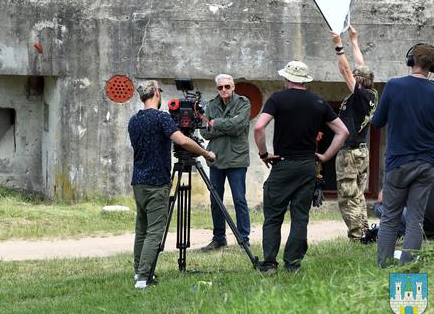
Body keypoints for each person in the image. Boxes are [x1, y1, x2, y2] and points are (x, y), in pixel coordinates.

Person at [253, 61, 348, 274]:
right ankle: (293, 264)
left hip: (283, 164)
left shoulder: (277, 99)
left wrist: (263, 154)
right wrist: (324, 156)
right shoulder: (318, 102)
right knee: (300, 217)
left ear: (287, 79)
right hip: (307, 166)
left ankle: (269, 264)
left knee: (273, 216)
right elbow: (343, 132)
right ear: (304, 80)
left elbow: (259, 127)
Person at [128, 80, 216, 289]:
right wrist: (205, 153)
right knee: (155, 231)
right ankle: (143, 278)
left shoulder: (133, 120)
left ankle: (138, 272)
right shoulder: (161, 118)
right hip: (157, 181)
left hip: (138, 181)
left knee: (142, 229)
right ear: (156, 94)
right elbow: (182, 141)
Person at [371, 43, 434, 267]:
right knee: (415, 219)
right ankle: (408, 265)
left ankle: (384, 265)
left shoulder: (394, 86)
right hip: (426, 164)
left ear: (411, 62)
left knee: (389, 217)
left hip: (398, 163)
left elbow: (377, 122)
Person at [330, 25, 378, 241]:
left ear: (358, 81)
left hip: (349, 153)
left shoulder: (358, 96)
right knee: (358, 194)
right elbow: (360, 66)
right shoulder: (371, 93)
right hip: (362, 151)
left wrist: (339, 45)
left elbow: (347, 70)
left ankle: (357, 237)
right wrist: (354, 40)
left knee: (348, 196)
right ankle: (365, 232)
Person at [200, 74, 251, 251]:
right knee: (216, 200)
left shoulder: (243, 103)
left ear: (233, 87)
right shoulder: (212, 105)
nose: (224, 90)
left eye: (227, 87)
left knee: (239, 199)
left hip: (237, 159)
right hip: (216, 158)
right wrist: (226, 125)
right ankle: (219, 238)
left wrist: (216, 123)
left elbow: (239, 127)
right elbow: (204, 132)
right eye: (220, 87)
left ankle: (244, 238)